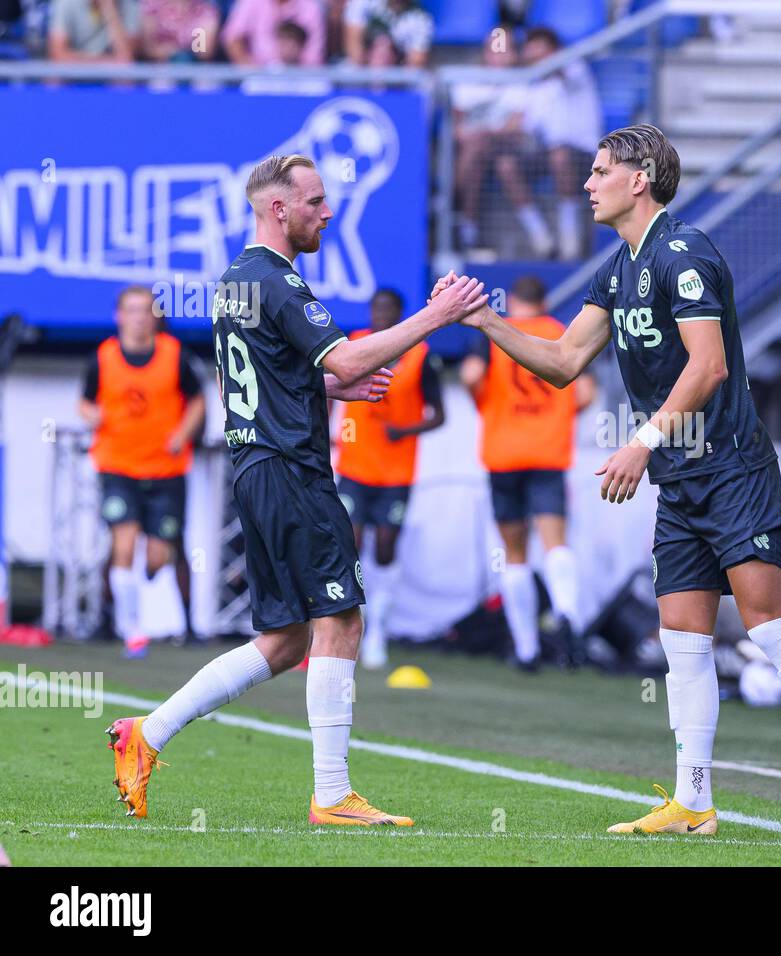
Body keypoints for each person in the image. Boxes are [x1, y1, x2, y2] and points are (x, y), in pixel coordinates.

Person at [446, 124, 781, 841]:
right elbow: (559, 363)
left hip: (731, 468)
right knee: (681, 638)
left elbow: (706, 366)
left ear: (639, 178)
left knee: (771, 624)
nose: (587, 183)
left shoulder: (686, 253)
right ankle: (693, 801)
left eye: (599, 171)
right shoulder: (617, 267)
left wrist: (641, 444)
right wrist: (485, 319)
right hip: (680, 479)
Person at [105, 154, 489, 826]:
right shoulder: (279, 283)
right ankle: (333, 795)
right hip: (291, 470)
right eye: (314, 201)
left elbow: (251, 380)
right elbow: (344, 356)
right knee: (341, 619)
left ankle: (149, 733)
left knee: (285, 640)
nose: (327, 212)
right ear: (278, 209)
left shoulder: (233, 282)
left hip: (254, 469)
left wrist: (328, 386)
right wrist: (437, 315)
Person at [459, 275, 594, 670]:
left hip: (503, 452)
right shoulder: (560, 332)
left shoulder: (494, 331)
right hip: (548, 453)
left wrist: (486, 405)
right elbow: (584, 393)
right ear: (545, 300)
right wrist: (557, 418)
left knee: (514, 554)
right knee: (556, 542)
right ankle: (566, 612)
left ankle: (526, 649)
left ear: (514, 299)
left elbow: (469, 375)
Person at [80, 287, 206, 659]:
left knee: (157, 556)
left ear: (154, 317)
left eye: (144, 310)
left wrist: (183, 432)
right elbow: (85, 401)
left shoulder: (175, 356)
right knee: (123, 541)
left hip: (165, 469)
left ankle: (152, 603)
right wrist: (91, 415)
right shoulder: (102, 358)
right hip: (118, 466)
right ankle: (132, 629)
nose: (137, 317)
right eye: (130, 310)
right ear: (119, 316)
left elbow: (198, 399)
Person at [334, 287, 446, 670]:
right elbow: (331, 389)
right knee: (350, 544)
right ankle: (346, 627)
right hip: (354, 466)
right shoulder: (354, 345)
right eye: (376, 309)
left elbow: (439, 414)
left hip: (396, 473)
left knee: (384, 550)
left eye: (388, 310)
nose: (380, 315)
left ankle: (379, 629)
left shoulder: (419, 357)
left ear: (399, 315)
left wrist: (406, 430)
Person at [452, 29, 553, 257]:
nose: (497, 54)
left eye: (503, 49)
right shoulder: (468, 81)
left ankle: (459, 214)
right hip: (476, 151)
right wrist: (474, 135)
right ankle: (537, 231)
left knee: (503, 163)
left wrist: (481, 133)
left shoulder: (523, 82)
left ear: (514, 54)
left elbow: (517, 127)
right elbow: (455, 126)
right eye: (493, 49)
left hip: (514, 148)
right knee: (477, 158)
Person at [521, 26, 603, 260]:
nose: (535, 56)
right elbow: (527, 129)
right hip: (546, 154)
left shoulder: (575, 67)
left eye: (541, 50)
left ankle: (570, 235)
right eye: (531, 50)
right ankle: (540, 236)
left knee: (560, 156)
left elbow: (560, 69)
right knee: (507, 164)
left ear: (555, 50)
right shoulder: (533, 87)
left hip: (587, 154)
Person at [222, 0, 325, 66]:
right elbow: (232, 38)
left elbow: (313, 58)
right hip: (259, 76)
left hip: (301, 79)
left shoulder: (310, 7)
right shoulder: (250, 2)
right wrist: (250, 69)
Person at [343, 0, 433, 68]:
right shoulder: (363, 2)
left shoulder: (421, 18)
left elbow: (415, 64)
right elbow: (353, 46)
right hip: (360, 69)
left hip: (396, 76)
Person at [48, 0, 138, 61]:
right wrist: (100, 63)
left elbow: (126, 58)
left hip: (110, 74)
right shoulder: (66, 2)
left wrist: (109, 9)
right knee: (54, 79)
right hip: (74, 68)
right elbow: (58, 54)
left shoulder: (130, 5)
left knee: (124, 81)